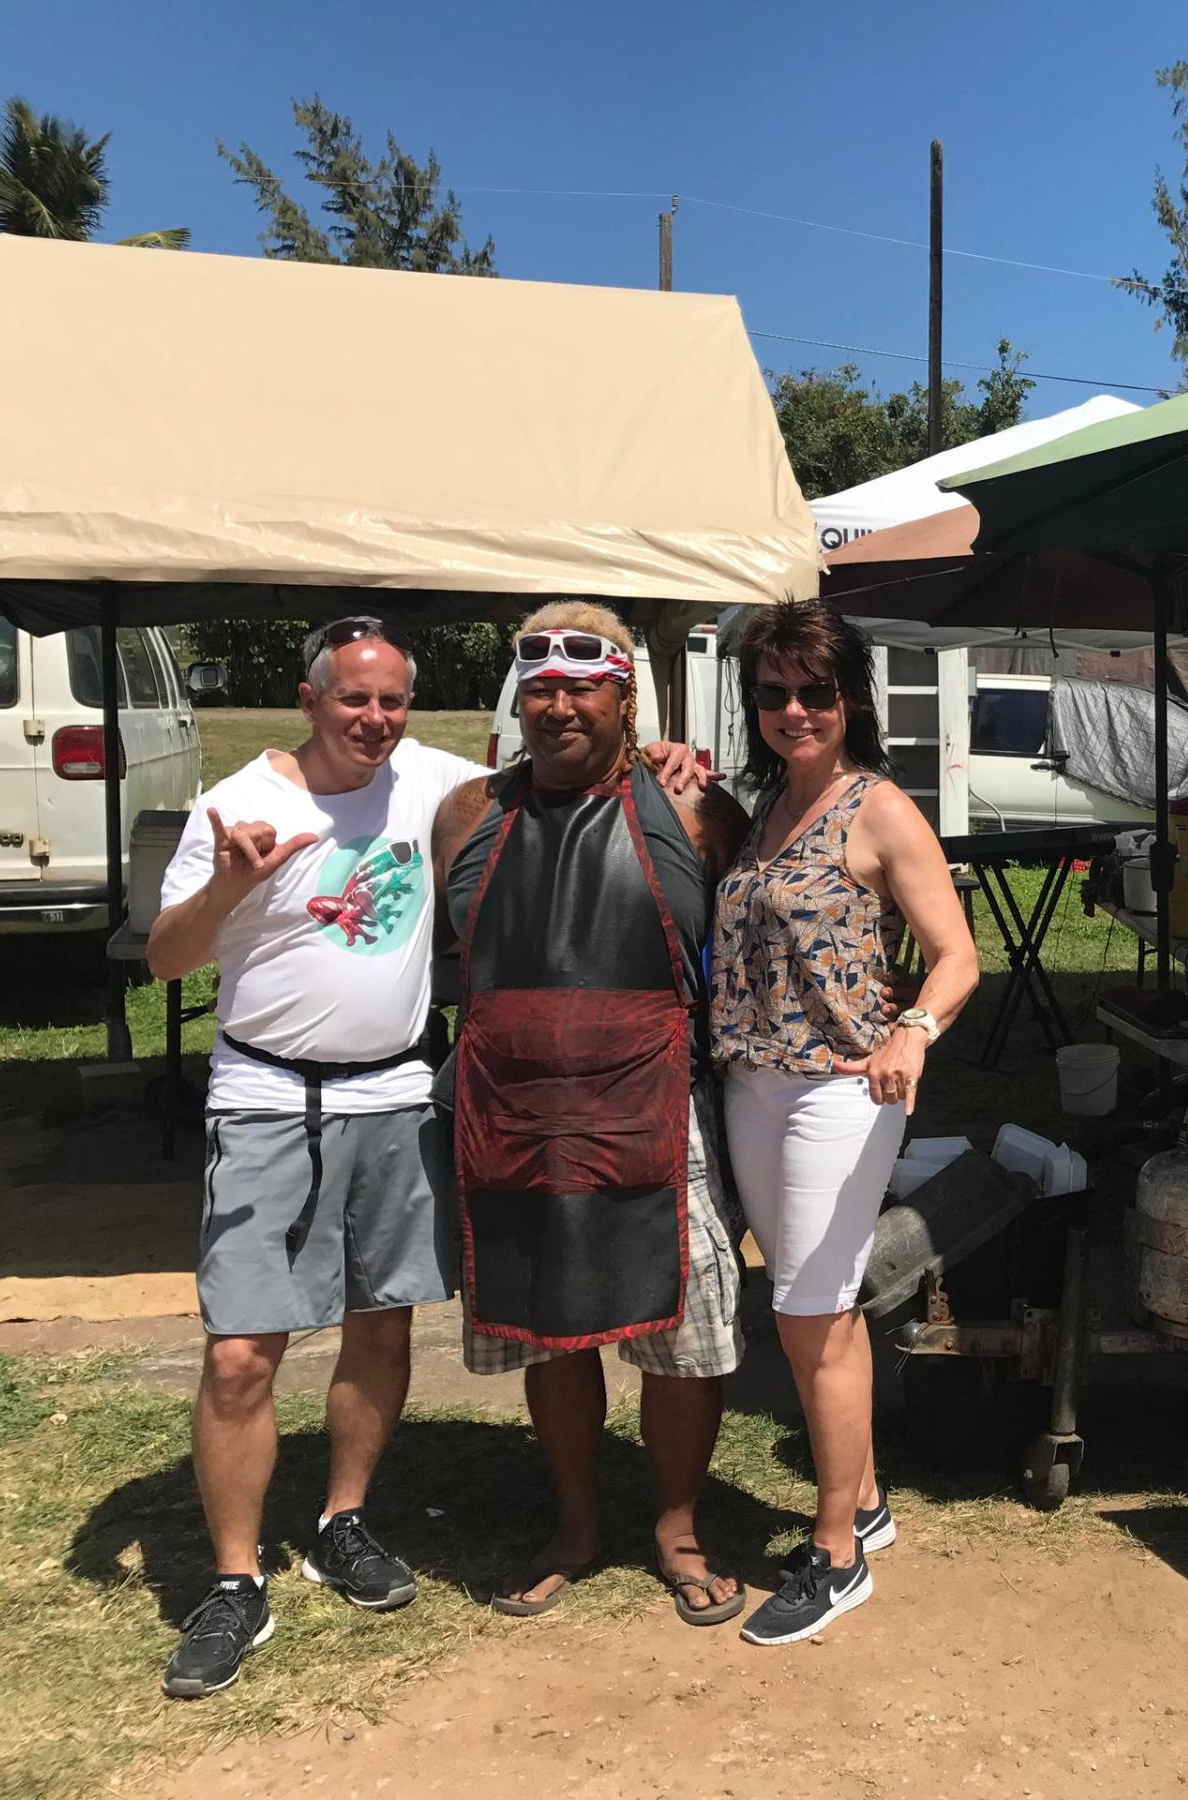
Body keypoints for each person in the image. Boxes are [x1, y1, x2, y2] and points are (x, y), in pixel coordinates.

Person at [148, 615, 701, 1699]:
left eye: (393, 700)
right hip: (269, 1095)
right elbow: (168, 961)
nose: (374, 719)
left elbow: (568, 752)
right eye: (353, 699)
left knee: (379, 1326)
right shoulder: (238, 802)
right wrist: (226, 887)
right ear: (308, 700)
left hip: (399, 1090)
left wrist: (666, 755)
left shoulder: (440, 788)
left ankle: (345, 1520)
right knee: (239, 1352)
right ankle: (233, 1580)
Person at [433, 603, 755, 1626]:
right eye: (540, 686)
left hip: (653, 1106)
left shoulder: (695, 810)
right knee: (549, 1327)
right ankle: (575, 1523)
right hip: (515, 1113)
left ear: (624, 695)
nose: (558, 703)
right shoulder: (467, 812)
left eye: (582, 685)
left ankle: (676, 1524)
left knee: (690, 1336)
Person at [711, 599, 978, 1646]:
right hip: (752, 1082)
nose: (793, 710)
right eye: (773, 692)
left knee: (811, 1311)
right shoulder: (764, 803)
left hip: (843, 1087)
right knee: (808, 1301)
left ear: (851, 697)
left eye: (814, 691)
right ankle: (860, 1497)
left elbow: (958, 954)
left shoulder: (880, 811)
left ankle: (836, 1552)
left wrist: (914, 1027)